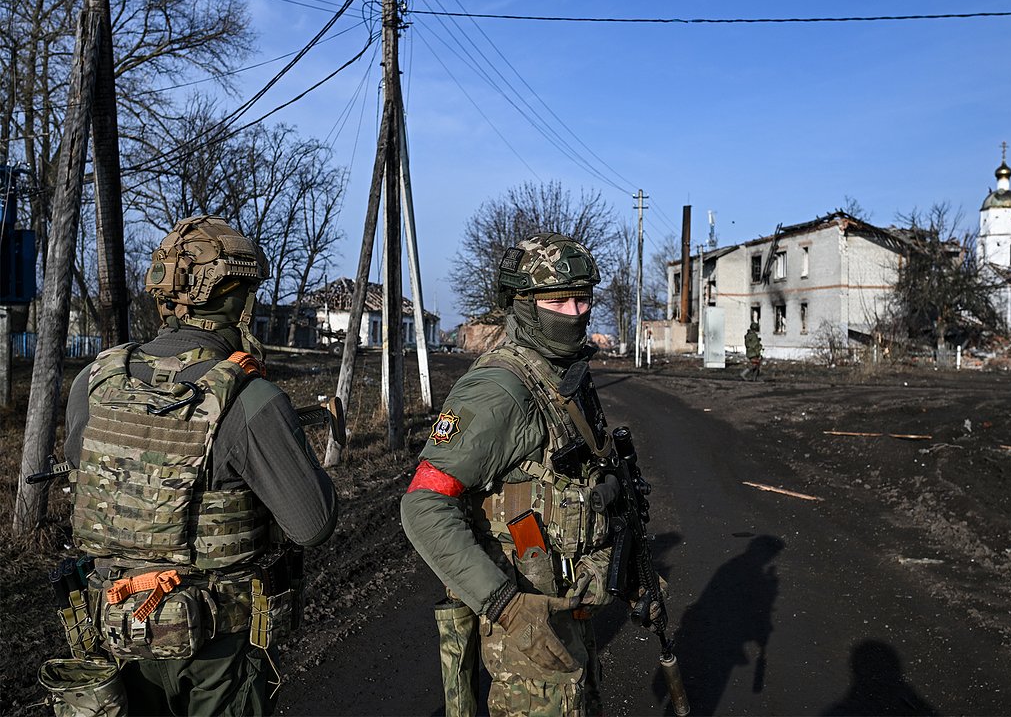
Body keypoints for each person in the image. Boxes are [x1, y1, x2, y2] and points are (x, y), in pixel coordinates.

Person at [59, 215, 338, 716]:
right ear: (236, 298)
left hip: (112, 635)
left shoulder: (93, 381)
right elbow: (312, 524)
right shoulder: (252, 398)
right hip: (216, 650)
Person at [402, 231, 638, 717]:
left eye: (583, 299)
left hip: (565, 611)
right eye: (559, 300)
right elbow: (423, 505)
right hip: (525, 628)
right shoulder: (500, 390)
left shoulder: (562, 373)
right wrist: (508, 607)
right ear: (523, 304)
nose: (575, 313)